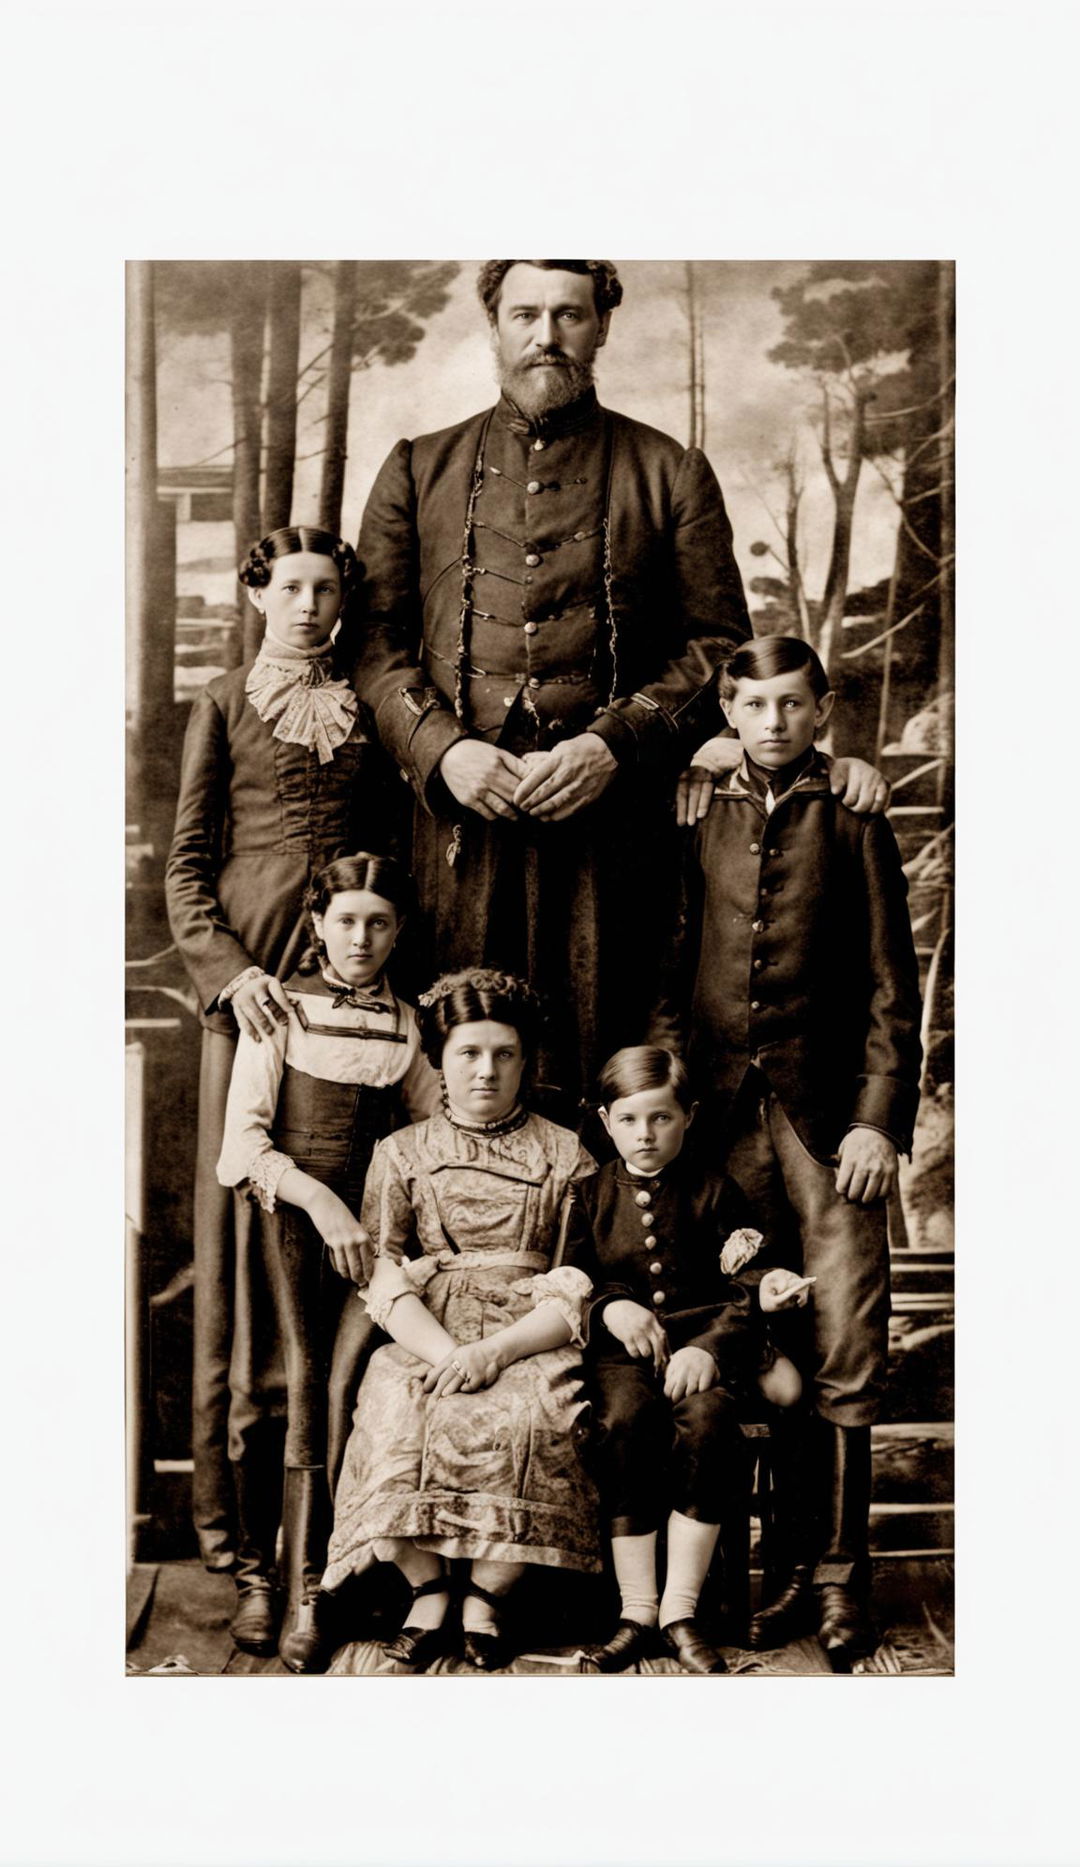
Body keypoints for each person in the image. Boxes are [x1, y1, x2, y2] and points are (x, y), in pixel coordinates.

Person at [351, 260, 886, 1107]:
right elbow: (373, 644)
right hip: (456, 832)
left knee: (606, 1063)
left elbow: (719, 644)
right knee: (457, 1064)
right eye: (525, 314)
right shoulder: (420, 469)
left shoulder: (668, 470)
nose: (546, 336)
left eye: (569, 315)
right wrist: (440, 749)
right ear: (493, 324)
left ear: (602, 327)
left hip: (611, 836)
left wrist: (613, 744)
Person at [651, 634, 923, 1669]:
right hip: (722, 1121)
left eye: (792, 705)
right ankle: (763, 1573)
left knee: (846, 1334)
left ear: (822, 711)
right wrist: (675, 1086)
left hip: (826, 1125)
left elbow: (895, 990)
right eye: (752, 703)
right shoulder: (696, 811)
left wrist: (878, 1121)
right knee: (752, 1328)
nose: (772, 721)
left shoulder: (853, 819)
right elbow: (675, 964)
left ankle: (843, 1581)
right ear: (729, 708)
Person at [165, 526, 397, 1580]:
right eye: (291, 587)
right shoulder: (220, 703)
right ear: (259, 594)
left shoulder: (365, 709)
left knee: (351, 1233)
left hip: (350, 998)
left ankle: (346, 1524)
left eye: (327, 588)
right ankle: (238, 1530)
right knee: (245, 1253)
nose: (310, 604)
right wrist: (231, 971)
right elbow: (185, 870)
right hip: (254, 1001)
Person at [319, 969, 600, 1673]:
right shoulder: (403, 1152)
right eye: (469, 1053)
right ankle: (428, 1588)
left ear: (526, 1060)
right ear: (439, 1060)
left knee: (536, 1412)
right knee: (396, 1407)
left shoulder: (565, 1152)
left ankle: (487, 1594)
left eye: (504, 1053)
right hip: (426, 1324)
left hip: (530, 1325)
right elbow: (384, 1271)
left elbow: (578, 1281)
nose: (487, 1070)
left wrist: (496, 1352)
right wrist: (447, 1351)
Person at [215, 853, 439, 1669]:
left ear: (399, 930)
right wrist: (320, 1200)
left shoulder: (406, 1024)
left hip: (374, 1238)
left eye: (378, 922)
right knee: (288, 1380)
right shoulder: (283, 1014)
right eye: (345, 919)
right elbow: (242, 1142)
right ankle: (266, 1579)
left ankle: (332, 1584)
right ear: (316, 925)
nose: (361, 937)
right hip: (293, 1217)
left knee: (354, 1382)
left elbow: (431, 1130)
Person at [562, 1045, 810, 1674]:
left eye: (662, 1118)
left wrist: (710, 1348)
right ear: (603, 1120)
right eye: (628, 1120)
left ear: (689, 1116)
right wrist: (609, 1308)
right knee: (622, 1425)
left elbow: (746, 1282)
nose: (644, 1135)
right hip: (620, 1359)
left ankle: (680, 1610)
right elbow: (570, 1278)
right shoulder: (587, 1196)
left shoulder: (716, 1190)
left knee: (708, 1426)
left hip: (703, 1354)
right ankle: (636, 1610)